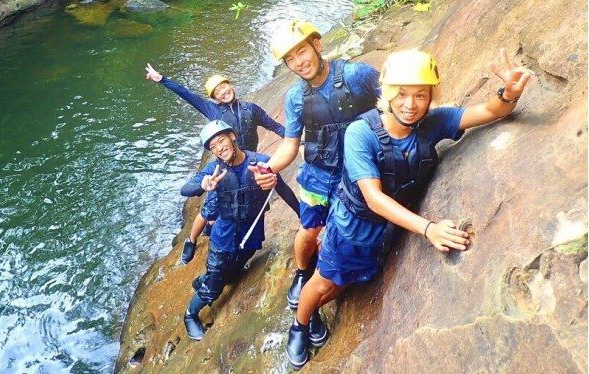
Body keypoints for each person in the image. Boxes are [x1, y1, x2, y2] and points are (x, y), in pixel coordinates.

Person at [285, 48, 533, 369]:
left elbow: (488, 111)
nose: (410, 104)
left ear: (431, 96)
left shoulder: (432, 122)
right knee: (326, 281)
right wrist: (429, 229)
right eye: (401, 94)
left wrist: (508, 93)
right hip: (353, 225)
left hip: (388, 227)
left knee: (350, 280)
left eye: (420, 95)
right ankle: (301, 324)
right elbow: (373, 198)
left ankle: (312, 310)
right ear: (386, 93)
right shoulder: (361, 134)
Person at [261, 20, 380, 309]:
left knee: (345, 232)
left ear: (317, 44)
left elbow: (391, 101)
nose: (298, 63)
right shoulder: (295, 98)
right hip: (318, 174)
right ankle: (302, 273)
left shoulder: (356, 75)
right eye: (290, 59)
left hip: (356, 175)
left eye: (301, 52)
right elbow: (290, 145)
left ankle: (329, 280)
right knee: (309, 230)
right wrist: (269, 169)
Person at [145, 64, 286, 264]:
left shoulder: (250, 109)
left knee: (249, 204)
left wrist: (294, 138)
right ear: (214, 98)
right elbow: (187, 95)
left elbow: (273, 125)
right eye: (217, 91)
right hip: (224, 167)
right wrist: (162, 79)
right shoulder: (212, 110)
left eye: (224, 86)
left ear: (231, 85)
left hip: (247, 163)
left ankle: (237, 246)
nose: (223, 91)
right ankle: (191, 240)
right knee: (210, 207)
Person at [180, 120, 300, 340]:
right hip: (224, 237)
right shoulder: (213, 170)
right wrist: (203, 184)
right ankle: (190, 314)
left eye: (221, 140)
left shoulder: (260, 162)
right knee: (215, 286)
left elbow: (283, 190)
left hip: (250, 232)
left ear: (233, 136)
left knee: (233, 272)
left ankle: (208, 277)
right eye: (213, 147)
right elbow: (185, 189)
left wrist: (303, 216)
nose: (219, 148)